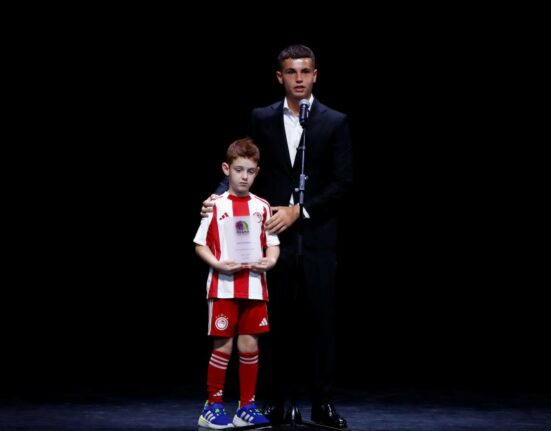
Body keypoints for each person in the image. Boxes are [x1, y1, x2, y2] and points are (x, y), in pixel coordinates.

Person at [202, 44, 352, 428]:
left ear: (315, 75)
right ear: (280, 76)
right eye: (291, 72)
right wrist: (218, 196)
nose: (298, 78)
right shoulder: (262, 117)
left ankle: (323, 404)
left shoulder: (335, 121)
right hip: (269, 237)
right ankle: (271, 401)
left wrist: (299, 210)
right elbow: (246, 163)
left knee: (320, 322)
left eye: (305, 71)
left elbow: (342, 182)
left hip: (316, 237)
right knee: (272, 321)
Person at [194, 138, 280, 429]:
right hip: (223, 287)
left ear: (257, 172)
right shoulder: (214, 205)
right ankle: (212, 405)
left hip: (255, 287)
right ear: (226, 169)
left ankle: (246, 407)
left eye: (250, 171)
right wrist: (217, 264)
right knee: (223, 346)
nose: (244, 177)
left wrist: (270, 261)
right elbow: (200, 244)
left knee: (249, 345)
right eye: (238, 170)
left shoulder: (262, 206)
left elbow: (272, 244)